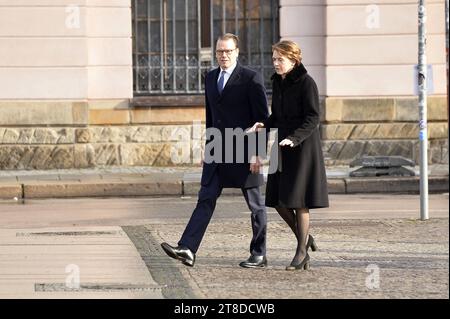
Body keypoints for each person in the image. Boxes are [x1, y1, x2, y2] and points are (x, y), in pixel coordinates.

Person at [161, 33, 269, 268]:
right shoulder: (210, 78)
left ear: (237, 52)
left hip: (245, 151)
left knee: (255, 205)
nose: (224, 55)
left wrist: (259, 153)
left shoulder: (251, 78)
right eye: (220, 51)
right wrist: (208, 147)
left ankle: (259, 253)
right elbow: (211, 118)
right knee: (205, 198)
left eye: (228, 51)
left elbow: (262, 119)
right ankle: (188, 248)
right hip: (217, 150)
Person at [248, 40, 329, 271]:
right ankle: (305, 238)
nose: (275, 63)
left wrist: (295, 138)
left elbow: (313, 118)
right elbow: (278, 115)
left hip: (302, 147)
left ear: (293, 60)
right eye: (273, 59)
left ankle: (301, 252)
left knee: (299, 201)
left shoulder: (306, 83)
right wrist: (263, 124)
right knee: (277, 200)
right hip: (282, 146)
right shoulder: (279, 82)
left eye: (279, 59)